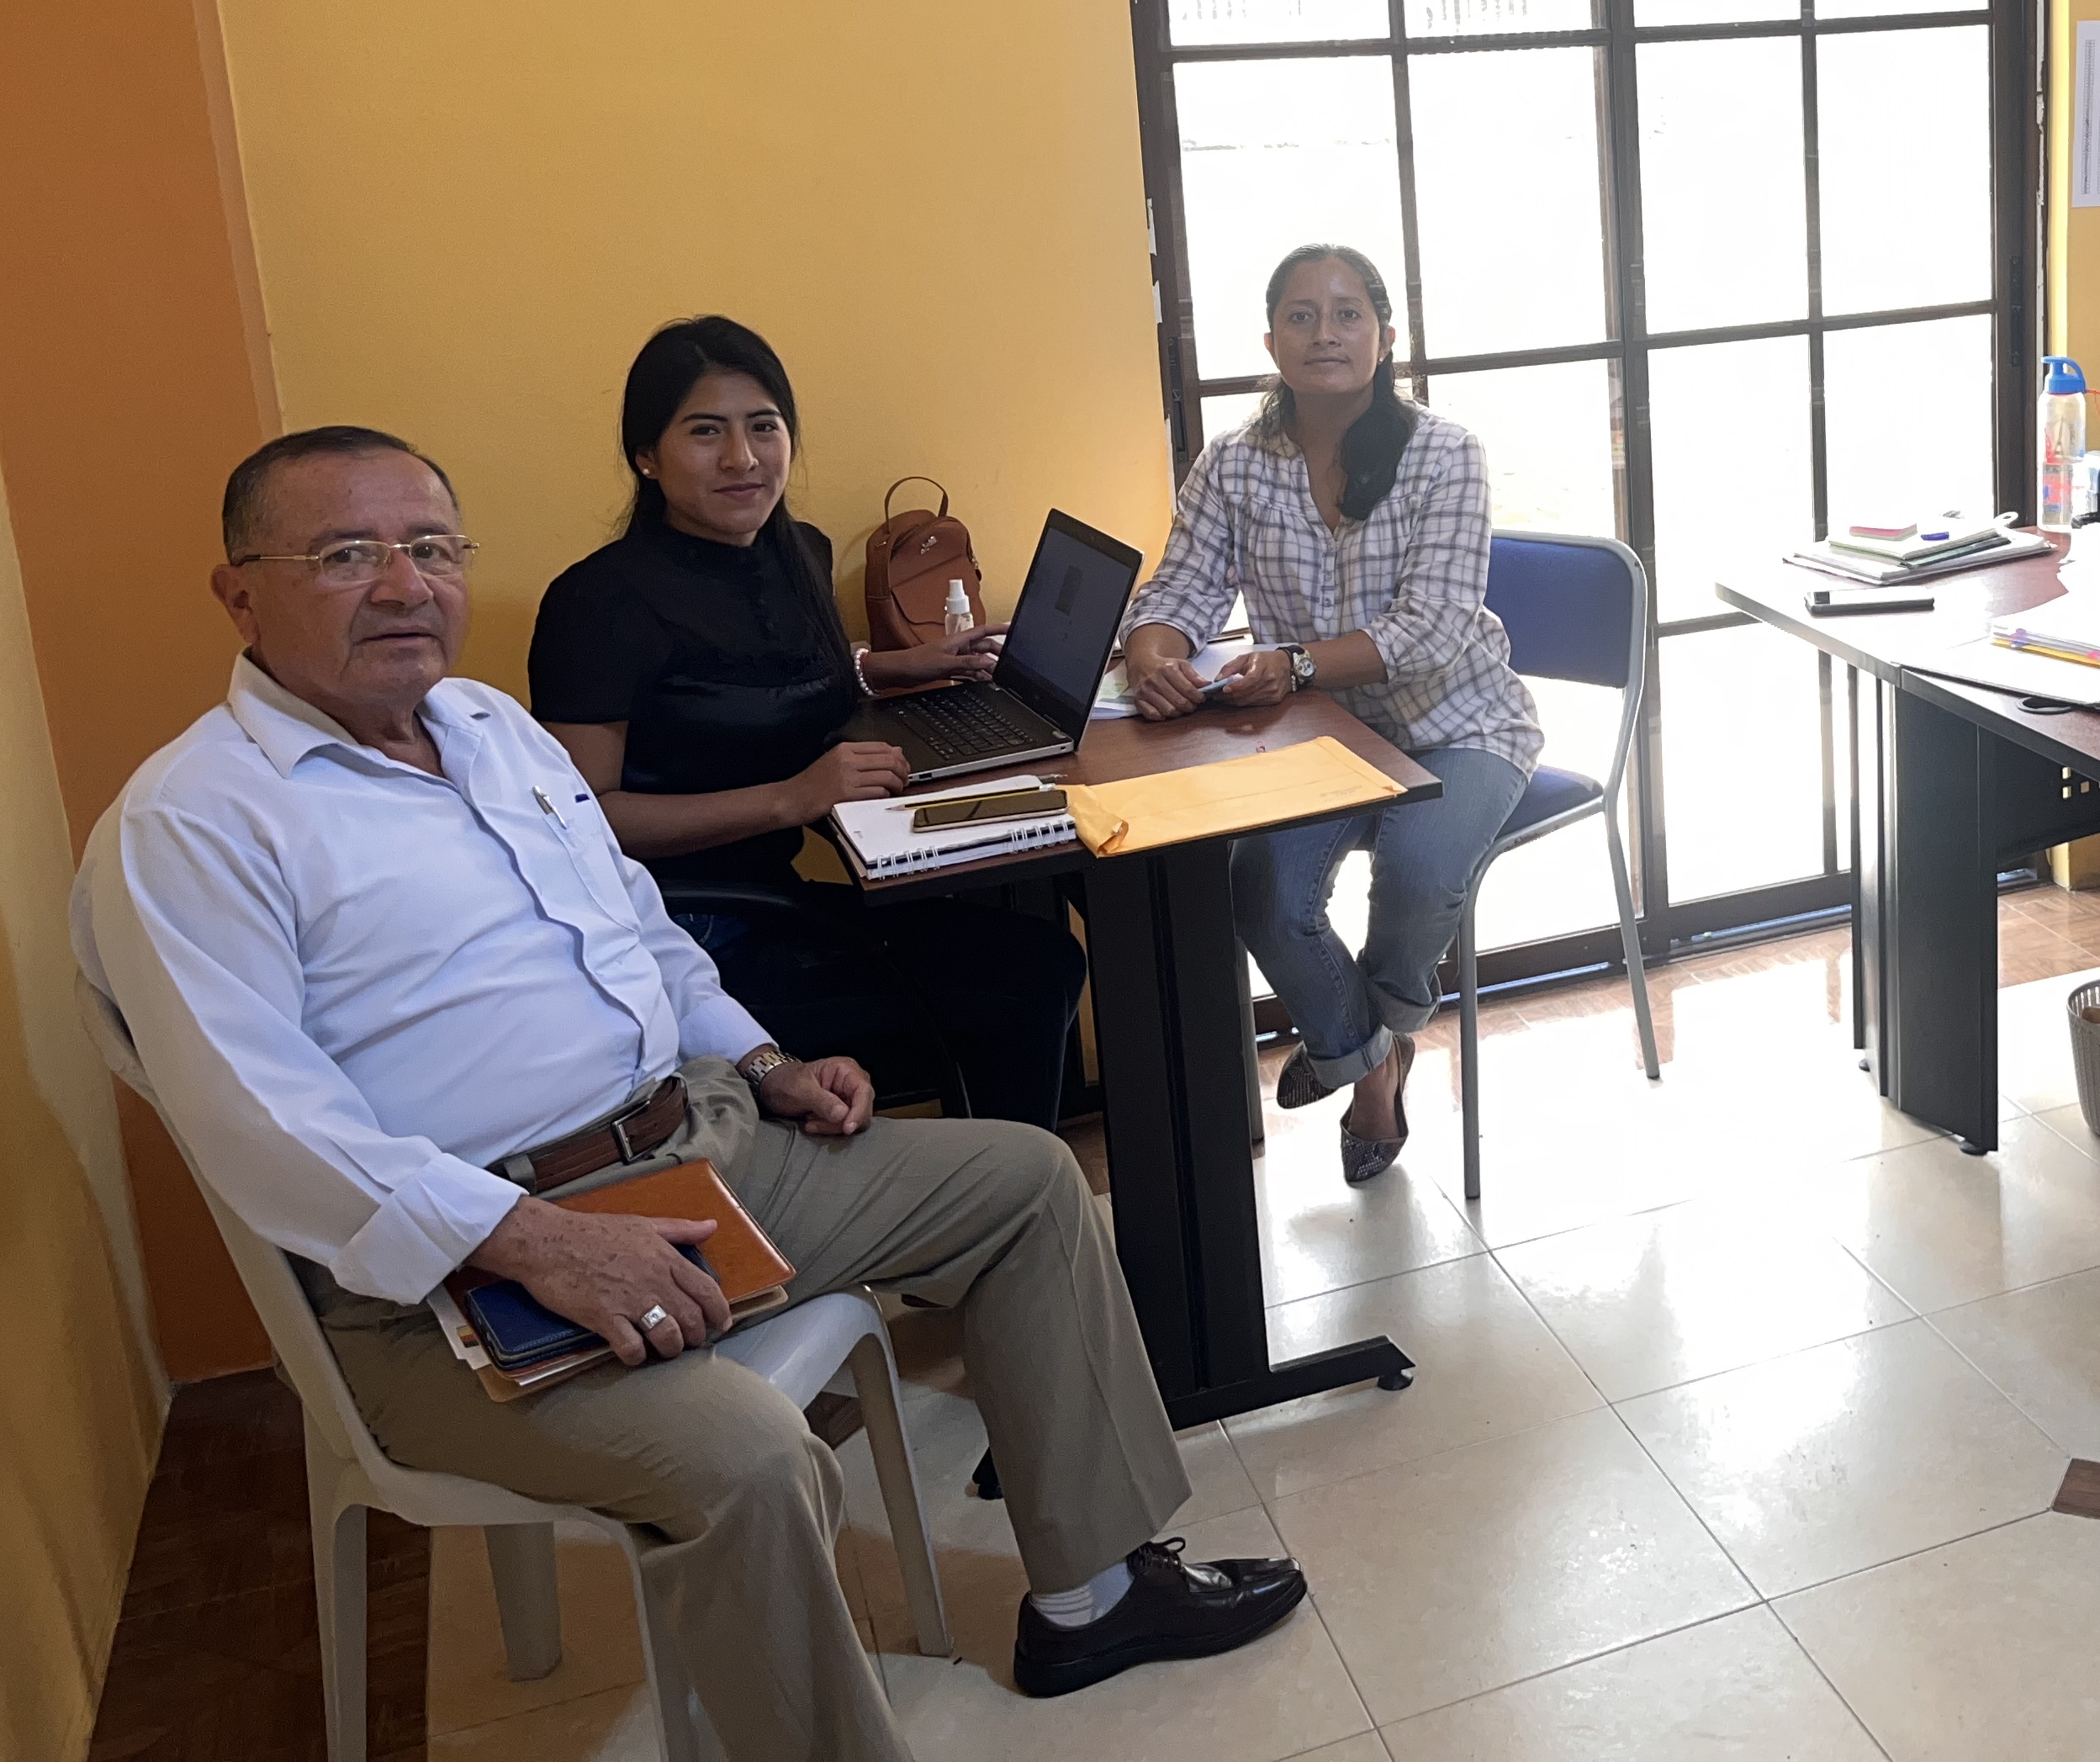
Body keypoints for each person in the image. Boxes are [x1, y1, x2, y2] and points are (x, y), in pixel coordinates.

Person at [72, 427, 1304, 1762]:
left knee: (1025, 1183)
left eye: (430, 547)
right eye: (346, 555)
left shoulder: (487, 728)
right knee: (747, 1456)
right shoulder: (194, 821)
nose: (403, 585)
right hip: (456, 1272)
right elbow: (258, 1123)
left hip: (695, 1144)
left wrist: (767, 1065)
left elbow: (638, 931)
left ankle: (1094, 1599)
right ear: (240, 593)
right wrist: (535, 1242)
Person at [531, 318, 1087, 1130]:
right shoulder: (599, 603)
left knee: (1033, 950)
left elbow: (762, 681)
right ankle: (995, 1182)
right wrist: (792, 798)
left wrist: (891, 667)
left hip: (780, 901)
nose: (743, 458)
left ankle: (995, 1180)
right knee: (1027, 975)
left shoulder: (796, 552)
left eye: (764, 427)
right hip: (692, 939)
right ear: (647, 455)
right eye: (705, 432)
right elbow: (586, 821)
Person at [1117, 244, 1542, 1185]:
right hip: (1318, 737)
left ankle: (1361, 1052)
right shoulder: (1234, 462)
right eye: (1301, 316)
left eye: (1349, 314)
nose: (1326, 334)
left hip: (1459, 722)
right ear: (1271, 341)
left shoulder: (1445, 453)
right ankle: (1373, 1056)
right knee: (1262, 891)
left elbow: (1433, 627)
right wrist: (1152, 658)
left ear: (1386, 337)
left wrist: (1297, 663)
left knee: (1418, 874)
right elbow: (1180, 589)